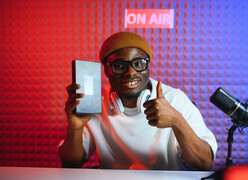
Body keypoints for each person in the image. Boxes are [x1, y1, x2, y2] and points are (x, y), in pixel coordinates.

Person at [58, 31, 217, 170]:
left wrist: (176, 121)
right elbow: (71, 164)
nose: (131, 72)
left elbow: (204, 164)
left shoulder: (175, 99)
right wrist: (75, 128)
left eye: (139, 63)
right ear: (107, 71)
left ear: (148, 66)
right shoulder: (95, 102)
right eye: (119, 65)